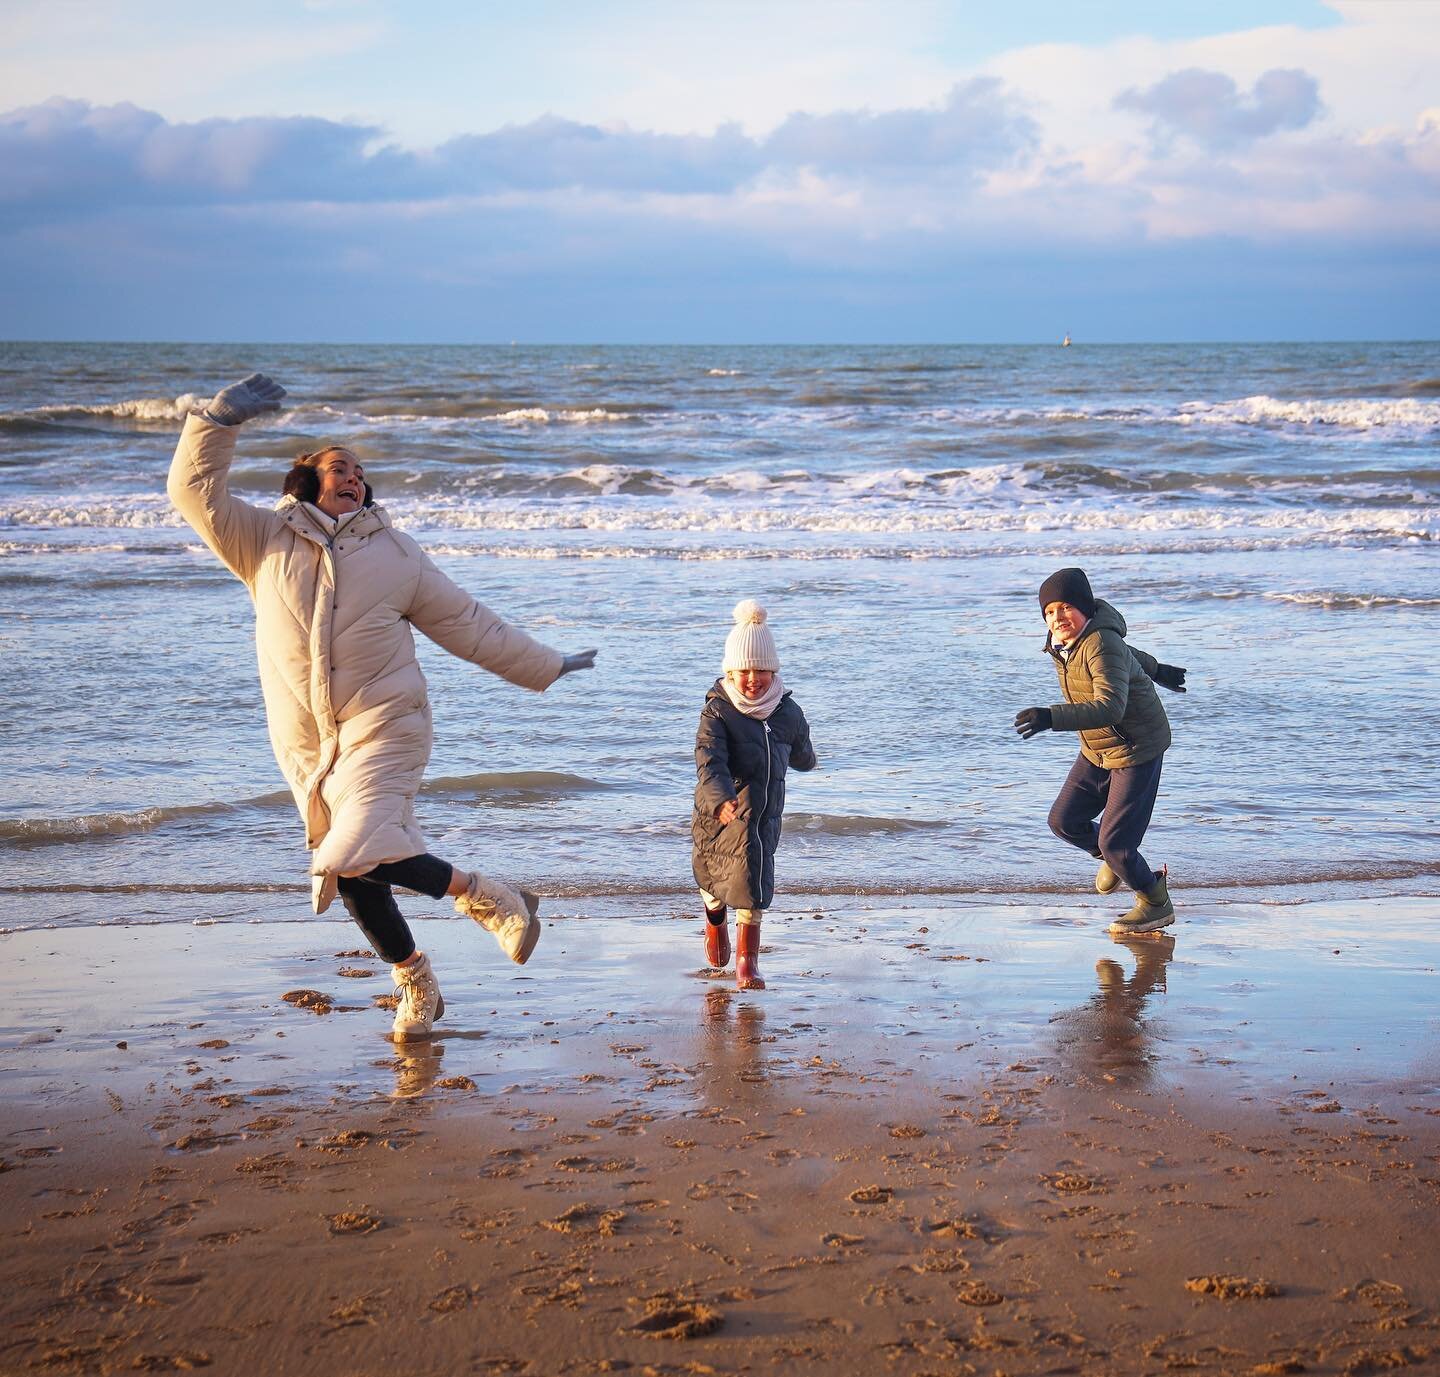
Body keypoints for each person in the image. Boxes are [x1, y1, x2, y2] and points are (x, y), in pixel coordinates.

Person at [167, 373, 596, 1040]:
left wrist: (547, 663)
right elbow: (192, 493)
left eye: (362, 473)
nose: (354, 479)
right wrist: (216, 423)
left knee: (352, 847)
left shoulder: (397, 554)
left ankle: (492, 898)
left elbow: (470, 623)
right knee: (356, 874)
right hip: (314, 744)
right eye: (340, 467)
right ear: (306, 480)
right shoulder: (262, 542)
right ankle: (416, 981)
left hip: (389, 725)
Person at [1013, 567, 1186, 934]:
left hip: (1136, 748)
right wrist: (1159, 669)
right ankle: (1110, 857)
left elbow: (1111, 707)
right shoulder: (1065, 643)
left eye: (1065, 607)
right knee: (1063, 821)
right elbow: (1129, 653)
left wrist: (1050, 717)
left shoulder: (1098, 642)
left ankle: (1156, 900)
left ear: (1085, 608)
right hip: (1098, 747)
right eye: (1049, 611)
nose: (1057, 617)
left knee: (1118, 845)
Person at [691, 600, 816, 990]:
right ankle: (714, 924)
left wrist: (807, 759)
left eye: (760, 669)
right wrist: (720, 798)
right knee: (714, 883)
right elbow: (709, 761)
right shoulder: (718, 713)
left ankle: (747, 960)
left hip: (763, 817)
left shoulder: (786, 711)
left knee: (755, 884)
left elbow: (800, 743)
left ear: (772, 670)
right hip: (719, 815)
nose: (752, 679)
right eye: (743, 670)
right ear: (730, 671)